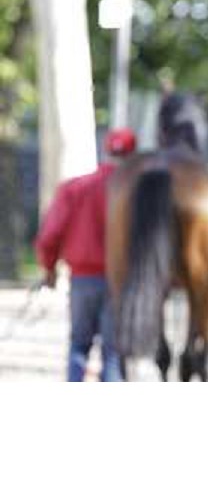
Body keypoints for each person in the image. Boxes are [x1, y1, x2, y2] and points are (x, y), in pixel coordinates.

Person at [35, 128, 137, 382]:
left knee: (79, 347)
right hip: (120, 281)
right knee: (113, 353)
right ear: (133, 155)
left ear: (106, 151)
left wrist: (49, 269)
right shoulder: (137, 193)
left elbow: (50, 235)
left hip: (82, 280)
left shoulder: (75, 188)